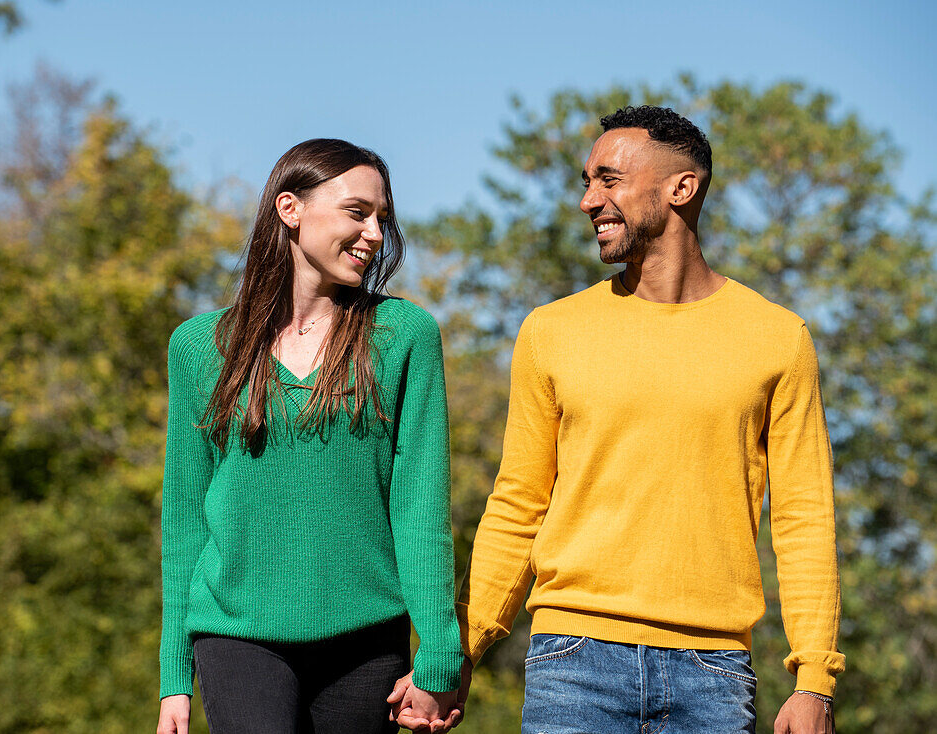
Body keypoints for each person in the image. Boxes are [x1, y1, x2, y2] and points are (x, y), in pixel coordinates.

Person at [394, 106, 844, 733]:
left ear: (681, 189)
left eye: (608, 179)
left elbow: (804, 517)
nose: (587, 201)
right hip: (572, 664)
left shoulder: (777, 338)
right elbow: (519, 504)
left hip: (714, 674)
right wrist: (455, 652)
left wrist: (815, 680)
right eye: (586, 181)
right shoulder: (553, 331)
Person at [155, 138, 463, 734]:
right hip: (236, 634)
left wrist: (439, 655)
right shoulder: (198, 347)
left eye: (382, 219)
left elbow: (421, 507)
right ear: (290, 208)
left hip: (368, 640)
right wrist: (174, 677)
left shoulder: (405, 334)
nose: (374, 234)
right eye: (357, 212)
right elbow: (185, 521)